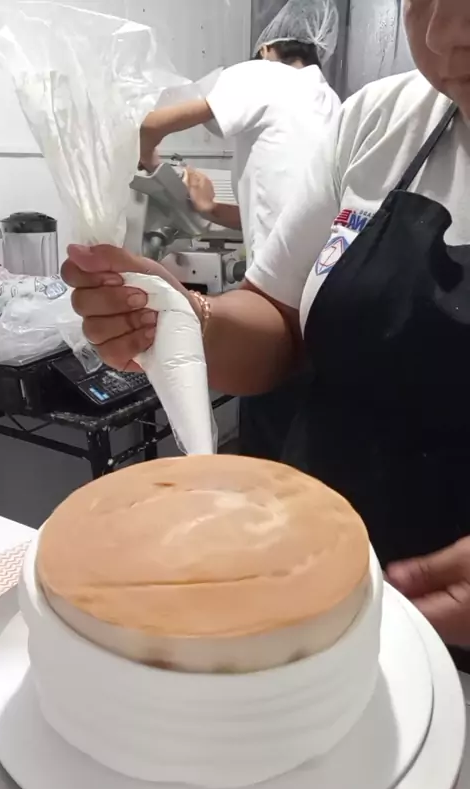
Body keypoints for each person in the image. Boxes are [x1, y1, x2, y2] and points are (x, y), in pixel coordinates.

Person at [64, 0, 470, 647]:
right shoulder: (378, 120)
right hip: (304, 583)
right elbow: (277, 317)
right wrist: (186, 321)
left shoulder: (262, 80)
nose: (443, 33)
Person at [139, 0, 340, 463]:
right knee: (306, 439)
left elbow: (151, 126)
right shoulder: (330, 101)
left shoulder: (265, 74)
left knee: (267, 435)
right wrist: (210, 210)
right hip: (328, 293)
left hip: (279, 308)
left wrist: (149, 160)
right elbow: (287, 216)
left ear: (267, 47)